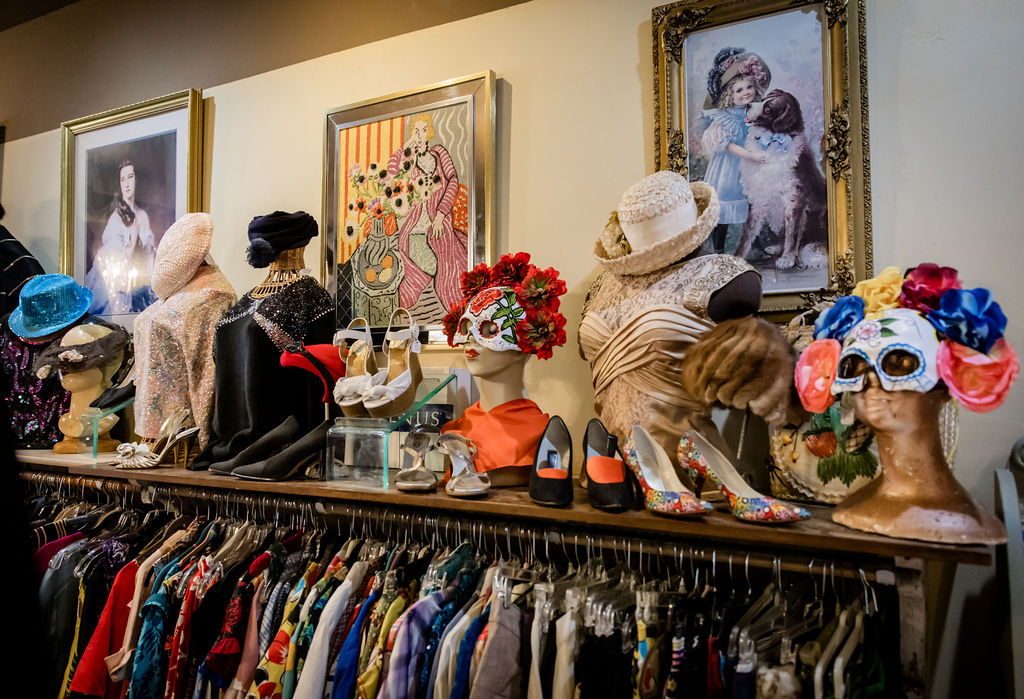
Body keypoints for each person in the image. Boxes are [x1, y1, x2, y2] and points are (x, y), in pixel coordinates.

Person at [387, 113, 468, 315]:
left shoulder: (439, 153)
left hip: (438, 220)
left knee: (451, 261)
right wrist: (408, 145)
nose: (421, 135)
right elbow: (391, 170)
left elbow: (453, 181)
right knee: (429, 264)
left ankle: (458, 306)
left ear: (430, 132)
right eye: (416, 130)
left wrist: (441, 214)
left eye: (424, 130)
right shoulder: (408, 158)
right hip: (414, 224)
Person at [700, 49, 771, 254]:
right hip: (729, 169)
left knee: (753, 206)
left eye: (749, 87)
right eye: (739, 90)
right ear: (730, 95)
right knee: (725, 208)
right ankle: (719, 250)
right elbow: (727, 145)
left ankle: (756, 245)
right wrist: (752, 156)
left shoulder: (755, 112)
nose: (746, 92)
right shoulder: (726, 117)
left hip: (750, 168)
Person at [85, 159, 158, 314]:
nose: (126, 183)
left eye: (130, 177)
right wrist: (133, 241)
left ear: (136, 180)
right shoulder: (116, 219)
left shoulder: (143, 215)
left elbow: (149, 259)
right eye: (122, 179)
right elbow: (116, 265)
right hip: (121, 290)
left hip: (143, 287)